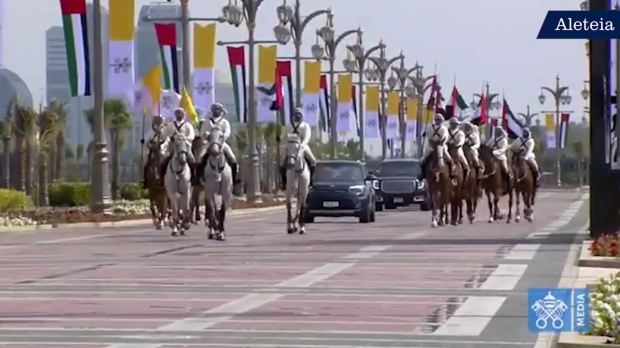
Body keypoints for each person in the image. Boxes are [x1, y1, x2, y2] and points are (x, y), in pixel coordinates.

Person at [197, 103, 240, 184]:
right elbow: (202, 132)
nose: (216, 111)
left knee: (233, 158)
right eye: (214, 109)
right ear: (212, 111)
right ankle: (199, 177)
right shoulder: (207, 121)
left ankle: (234, 179)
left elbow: (228, 132)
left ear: (221, 111)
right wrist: (205, 134)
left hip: (221, 143)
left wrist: (223, 137)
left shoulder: (225, 122)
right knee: (200, 158)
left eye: (218, 109)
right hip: (209, 143)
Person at [280, 107, 317, 190]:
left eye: (299, 114)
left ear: (302, 116)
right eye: (296, 114)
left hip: (302, 146)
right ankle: (284, 182)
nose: (297, 116)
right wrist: (281, 140)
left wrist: (302, 145)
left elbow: (307, 137)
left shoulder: (305, 126)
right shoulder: (289, 125)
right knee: (282, 162)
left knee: (313, 161)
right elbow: (284, 136)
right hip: (289, 146)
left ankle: (311, 180)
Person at [419, 113, 455, 180]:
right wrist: (424, 134)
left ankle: (452, 174)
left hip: (441, 146)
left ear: (442, 121)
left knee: (450, 160)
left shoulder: (444, 128)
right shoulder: (429, 127)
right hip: (431, 146)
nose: (438, 121)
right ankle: (423, 174)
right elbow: (426, 134)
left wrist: (438, 143)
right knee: (422, 160)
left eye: (439, 120)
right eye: (437, 119)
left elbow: (444, 138)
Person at [142, 115, 165, 188]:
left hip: (161, 149)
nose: (158, 122)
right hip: (152, 150)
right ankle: (145, 180)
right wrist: (151, 144)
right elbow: (146, 141)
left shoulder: (163, 131)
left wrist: (161, 143)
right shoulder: (150, 132)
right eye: (157, 120)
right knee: (146, 162)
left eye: (160, 120)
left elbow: (167, 140)